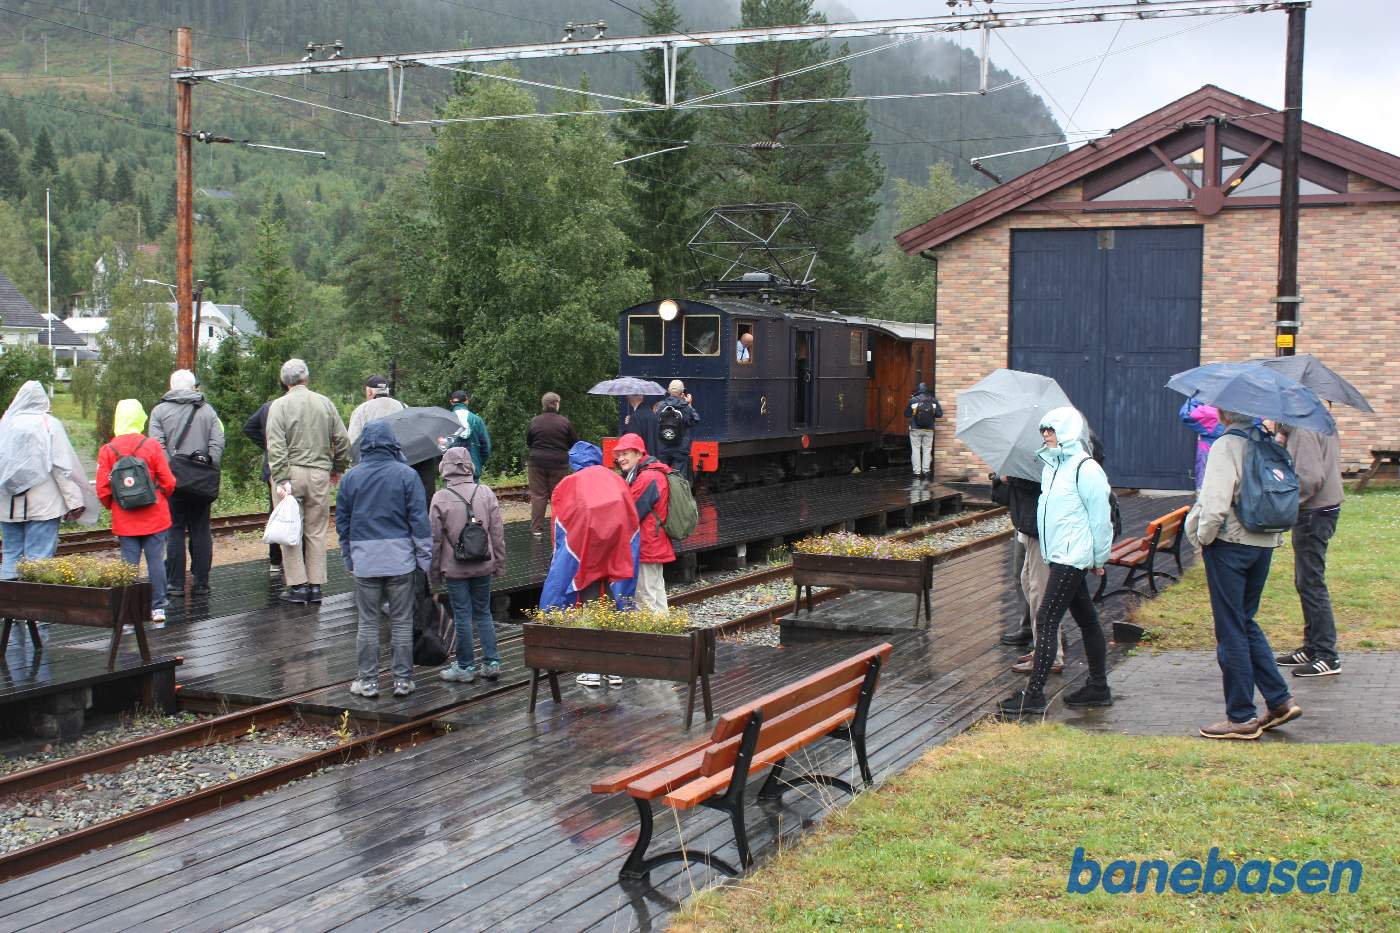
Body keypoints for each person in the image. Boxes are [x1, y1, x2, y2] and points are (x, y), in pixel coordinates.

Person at [1186, 409, 1302, 740]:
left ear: (1223, 413)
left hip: (1230, 544)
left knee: (1230, 628)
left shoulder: (1227, 444)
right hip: (1263, 541)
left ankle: (1241, 716)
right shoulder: (1263, 440)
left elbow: (1215, 503)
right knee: (1245, 621)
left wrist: (1202, 538)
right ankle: (1279, 700)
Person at [997, 407, 1113, 717]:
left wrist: (1099, 557)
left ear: (1070, 432)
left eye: (1052, 429)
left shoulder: (1085, 469)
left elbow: (1100, 520)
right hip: (1057, 553)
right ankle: (1099, 687)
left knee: (1046, 618)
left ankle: (1034, 695)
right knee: (1086, 619)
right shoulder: (1052, 467)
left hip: (1071, 557)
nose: (1046, 435)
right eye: (1044, 430)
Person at [335, 420, 431, 699]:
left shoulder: (351, 478)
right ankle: (402, 681)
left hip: (365, 560)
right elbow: (419, 521)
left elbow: (343, 522)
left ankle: (368, 682)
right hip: (401, 560)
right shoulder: (406, 475)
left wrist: (348, 557)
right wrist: (424, 560)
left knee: (367, 623)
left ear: (364, 444)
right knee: (401, 621)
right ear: (393, 444)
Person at [539, 441, 640, 688]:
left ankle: (593, 671)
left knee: (588, 608)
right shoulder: (615, 479)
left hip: (584, 554)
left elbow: (561, 525)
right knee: (613, 607)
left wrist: (561, 562)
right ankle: (614, 669)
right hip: (615, 553)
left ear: (574, 462)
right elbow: (631, 518)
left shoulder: (571, 483)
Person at [266, 358, 351, 605]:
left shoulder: (279, 406)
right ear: (307, 378)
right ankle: (316, 585)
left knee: (290, 526)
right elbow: (342, 440)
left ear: (284, 381)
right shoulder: (324, 403)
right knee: (316, 529)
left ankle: (297, 585)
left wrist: (281, 478)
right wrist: (337, 468)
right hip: (318, 474)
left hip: (289, 473)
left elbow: (276, 445)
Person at [0, 381, 91, 579]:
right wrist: (74, 501)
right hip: (43, 505)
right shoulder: (49, 424)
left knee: (10, 555)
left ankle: (6, 604)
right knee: (39, 560)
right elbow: (62, 468)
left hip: (7, 506)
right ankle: (35, 606)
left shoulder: (5, 423)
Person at [1274, 422, 1344, 678]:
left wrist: (1285, 504)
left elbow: (1309, 478)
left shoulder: (1303, 428)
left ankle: (1327, 655)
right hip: (1323, 508)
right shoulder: (1318, 420)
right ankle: (1312, 647)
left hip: (1313, 512)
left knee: (1311, 582)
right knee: (1305, 581)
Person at [96, 399, 176, 624]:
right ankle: (158, 607)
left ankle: (129, 610)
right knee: (156, 561)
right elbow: (169, 482)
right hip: (155, 516)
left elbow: (102, 489)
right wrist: (159, 497)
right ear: (140, 417)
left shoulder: (108, 450)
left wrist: (115, 505)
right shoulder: (151, 446)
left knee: (128, 565)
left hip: (125, 519)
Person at [432, 447, 507, 684]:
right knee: (483, 612)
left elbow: (433, 540)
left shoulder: (440, 498)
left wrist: (433, 574)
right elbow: (497, 533)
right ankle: (491, 662)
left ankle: (465, 667)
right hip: (483, 564)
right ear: (469, 467)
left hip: (455, 569)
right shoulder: (485, 493)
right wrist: (499, 563)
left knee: (462, 615)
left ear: (445, 468)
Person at [148, 369, 224, 597]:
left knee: (175, 531)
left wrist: (170, 472)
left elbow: (156, 446)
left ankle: (175, 584)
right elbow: (217, 442)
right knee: (201, 529)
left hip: (172, 482)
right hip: (201, 480)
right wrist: (208, 466)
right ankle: (201, 583)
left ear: (171, 386)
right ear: (193, 387)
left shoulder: (159, 411)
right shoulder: (208, 411)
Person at [614, 433, 674, 614]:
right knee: (656, 591)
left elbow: (630, 512)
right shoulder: (653, 472)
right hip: (655, 540)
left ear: (639, 454)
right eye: (619, 455)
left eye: (626, 454)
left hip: (646, 543)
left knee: (645, 595)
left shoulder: (646, 478)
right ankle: (665, 631)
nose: (621, 459)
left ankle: (652, 637)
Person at [243, 385, 289, 575]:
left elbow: (249, 427)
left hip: (273, 467)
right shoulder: (286, 407)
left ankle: (275, 560)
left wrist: (267, 446)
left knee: (275, 512)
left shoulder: (268, 407)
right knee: (297, 512)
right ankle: (291, 562)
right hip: (295, 464)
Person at [525, 392, 578, 537]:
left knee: (538, 496)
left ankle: (537, 529)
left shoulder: (535, 421)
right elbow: (574, 442)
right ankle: (559, 527)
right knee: (558, 495)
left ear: (544, 405)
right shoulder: (564, 422)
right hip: (558, 464)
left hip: (536, 463)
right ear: (556, 404)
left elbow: (529, 441)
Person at [655, 380, 699, 480]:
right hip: (681, 449)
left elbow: (656, 423)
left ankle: (664, 494)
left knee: (662, 476)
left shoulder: (660, 406)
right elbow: (695, 420)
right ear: (682, 392)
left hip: (663, 447)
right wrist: (690, 404)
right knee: (679, 479)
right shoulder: (685, 407)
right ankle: (678, 494)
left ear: (668, 391)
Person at [347, 374, 405, 446]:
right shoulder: (403, 406)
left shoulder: (361, 410)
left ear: (369, 392)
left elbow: (353, 440)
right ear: (387, 391)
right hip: (400, 454)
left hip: (372, 455)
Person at [1180, 398, 1224, 489]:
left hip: (1209, 450)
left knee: (1205, 491)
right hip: (1240, 449)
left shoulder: (1207, 388)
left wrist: (1208, 412)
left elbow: (1187, 413)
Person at [448, 389, 492, 479]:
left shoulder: (446, 421)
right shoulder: (477, 420)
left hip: (452, 474)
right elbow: (486, 448)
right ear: (467, 401)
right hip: (473, 472)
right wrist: (478, 463)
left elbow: (441, 448)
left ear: (451, 402)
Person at [905, 383, 943, 478]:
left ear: (918, 390)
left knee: (916, 450)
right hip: (929, 429)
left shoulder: (913, 400)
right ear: (927, 391)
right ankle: (926, 471)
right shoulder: (933, 400)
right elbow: (939, 414)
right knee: (927, 450)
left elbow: (906, 414)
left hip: (915, 429)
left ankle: (917, 472)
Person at [620, 394, 659, 461]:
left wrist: (628, 426)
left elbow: (632, 442)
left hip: (642, 461)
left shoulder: (635, 417)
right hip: (654, 458)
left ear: (629, 397)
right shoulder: (652, 414)